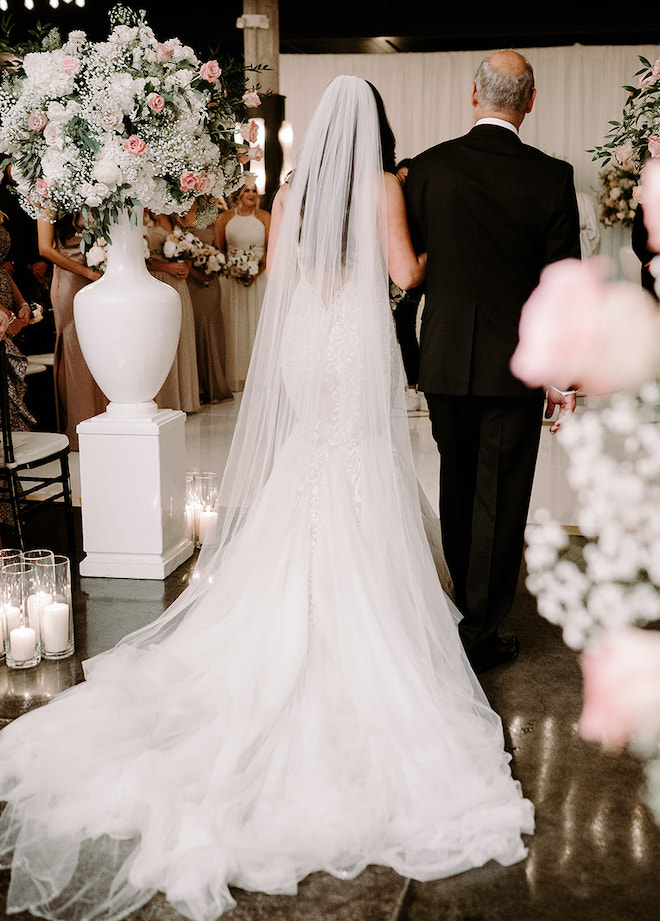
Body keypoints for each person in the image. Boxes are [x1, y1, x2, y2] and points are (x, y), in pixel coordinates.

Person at [0, 76, 533, 921]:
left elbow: (279, 277)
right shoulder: (384, 185)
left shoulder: (293, 191)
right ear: (377, 131)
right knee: (363, 460)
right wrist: (429, 260)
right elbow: (404, 272)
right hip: (356, 343)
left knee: (310, 460)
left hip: (307, 348)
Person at [405, 50, 581, 674]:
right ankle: (480, 629)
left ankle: (465, 611)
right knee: (501, 499)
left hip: (447, 357)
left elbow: (409, 273)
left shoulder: (426, 170)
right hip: (516, 364)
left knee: (457, 485)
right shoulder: (552, 178)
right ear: (530, 101)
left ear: (473, 96)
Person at [37, 215, 108, 450]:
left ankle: (103, 420)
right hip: (70, 279)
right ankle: (80, 425)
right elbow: (45, 248)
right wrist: (86, 273)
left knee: (101, 346)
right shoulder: (46, 196)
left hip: (100, 275)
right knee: (74, 348)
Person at [144, 210, 201, 414]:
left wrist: (187, 264)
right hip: (158, 279)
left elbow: (188, 244)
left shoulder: (175, 216)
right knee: (164, 337)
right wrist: (167, 267)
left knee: (182, 333)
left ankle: (185, 399)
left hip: (179, 282)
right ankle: (166, 399)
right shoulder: (144, 217)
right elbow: (141, 257)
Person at [215, 183, 270, 391]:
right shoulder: (225, 218)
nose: (252, 195)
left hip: (259, 277)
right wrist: (234, 268)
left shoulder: (264, 217)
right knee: (234, 324)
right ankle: (236, 376)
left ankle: (259, 377)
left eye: (254, 191)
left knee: (256, 324)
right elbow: (220, 248)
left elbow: (269, 247)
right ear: (238, 194)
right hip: (231, 279)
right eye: (247, 190)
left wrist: (256, 271)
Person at [183, 204, 233, 404]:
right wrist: (195, 273)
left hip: (211, 280)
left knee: (213, 327)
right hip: (190, 280)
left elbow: (219, 247)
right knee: (194, 328)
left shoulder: (211, 214)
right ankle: (198, 389)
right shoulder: (178, 217)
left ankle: (216, 386)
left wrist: (214, 267)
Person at [391, 159, 424, 412]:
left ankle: (415, 387)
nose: (404, 183)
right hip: (393, 269)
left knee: (406, 327)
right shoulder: (392, 204)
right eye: (401, 178)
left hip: (418, 269)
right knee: (397, 329)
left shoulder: (421, 207)